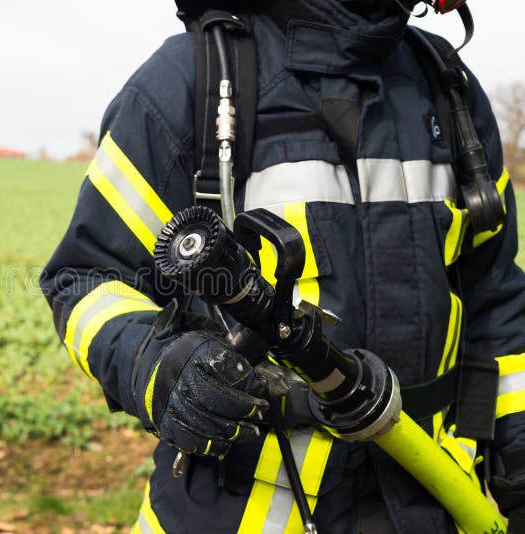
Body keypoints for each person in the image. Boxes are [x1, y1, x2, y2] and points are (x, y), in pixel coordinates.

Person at [40, 0, 525, 532]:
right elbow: (86, 278)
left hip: (430, 509)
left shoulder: (447, 88)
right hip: (234, 514)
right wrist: (159, 366)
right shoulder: (193, 79)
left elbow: (496, 306)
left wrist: (519, 456)